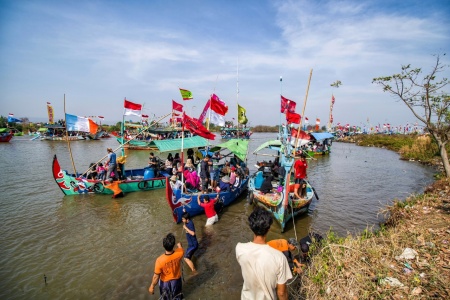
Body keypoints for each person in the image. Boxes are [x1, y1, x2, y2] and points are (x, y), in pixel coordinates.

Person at [235, 207, 292, 299]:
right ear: (268, 229)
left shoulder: (239, 248)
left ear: (251, 227)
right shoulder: (279, 258)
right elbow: (281, 293)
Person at [148, 233, 184, 299]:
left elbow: (156, 276)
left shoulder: (159, 260)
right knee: (177, 297)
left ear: (163, 246)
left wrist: (152, 286)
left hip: (165, 284)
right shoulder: (180, 253)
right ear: (173, 245)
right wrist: (179, 245)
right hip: (176, 281)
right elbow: (180, 248)